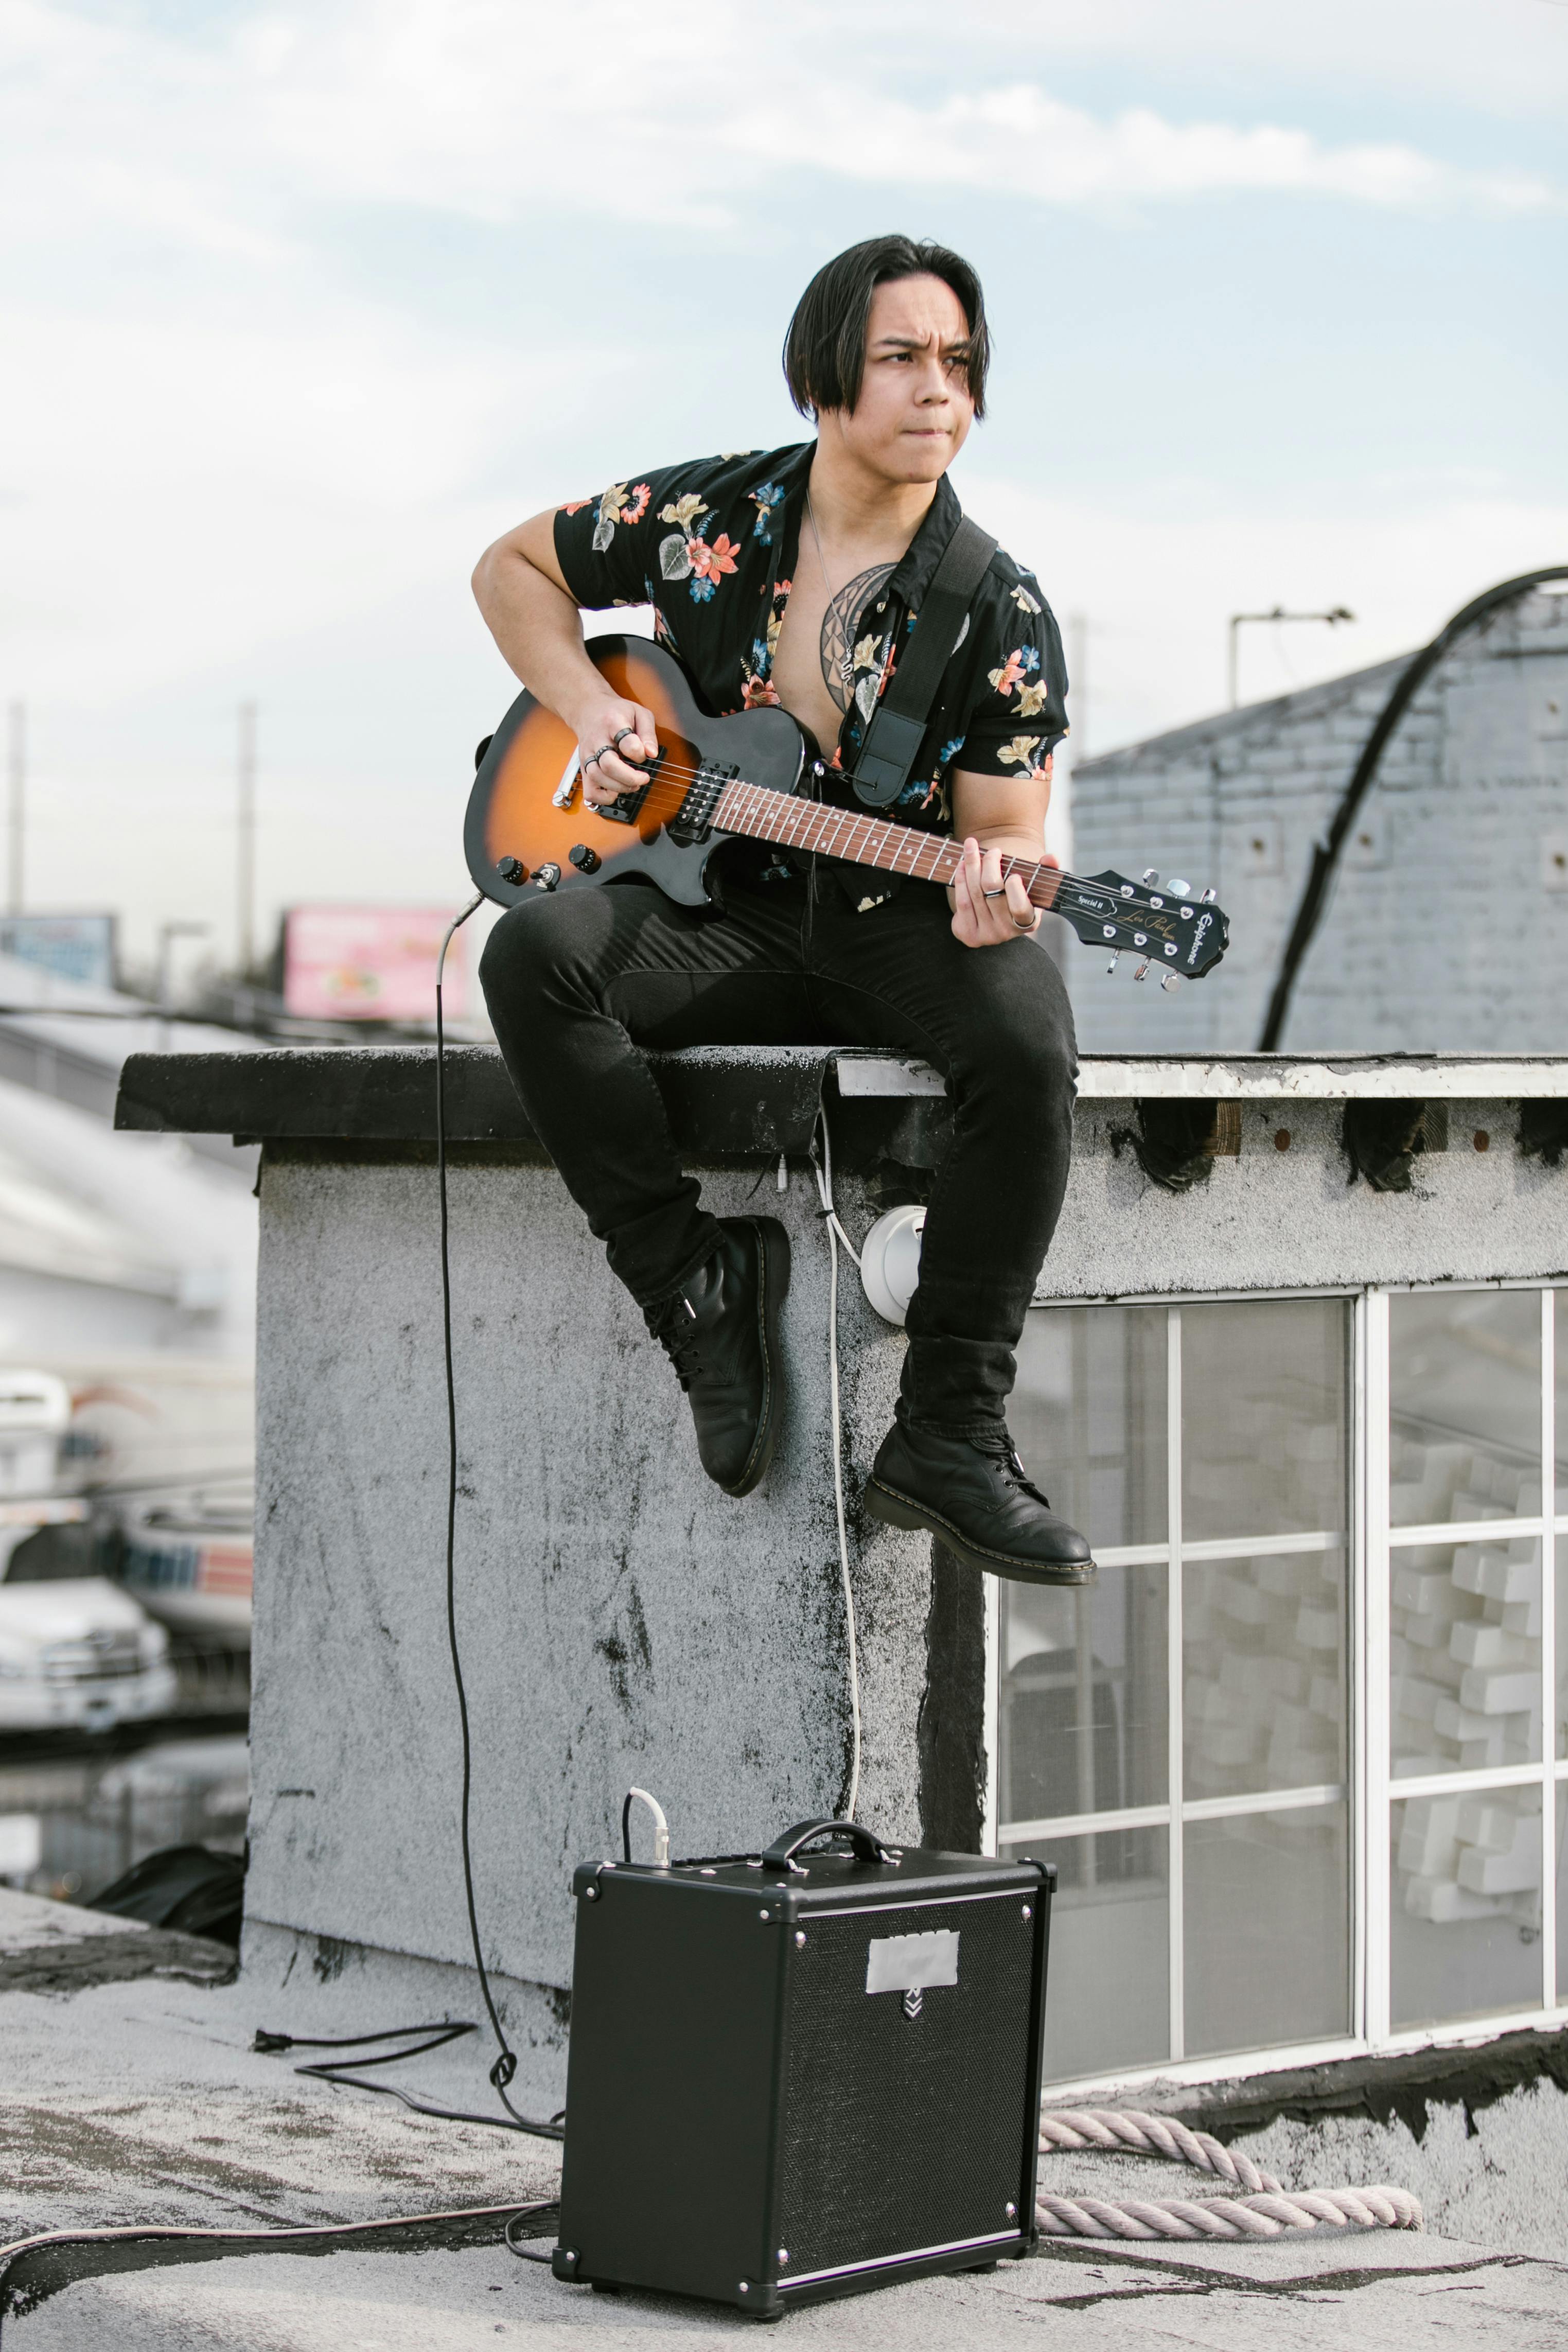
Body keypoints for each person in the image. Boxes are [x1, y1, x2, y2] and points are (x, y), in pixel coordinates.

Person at [471, 235, 1093, 1588]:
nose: (943, 391)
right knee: (533, 961)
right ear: (826, 378)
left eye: (962, 364)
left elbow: (1004, 836)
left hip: (899, 917)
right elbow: (510, 569)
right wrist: (593, 711)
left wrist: (999, 893)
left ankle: (949, 1435)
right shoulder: (714, 520)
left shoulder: (999, 610)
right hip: (723, 908)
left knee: (1030, 1043)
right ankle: (695, 1284)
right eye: (905, 358)